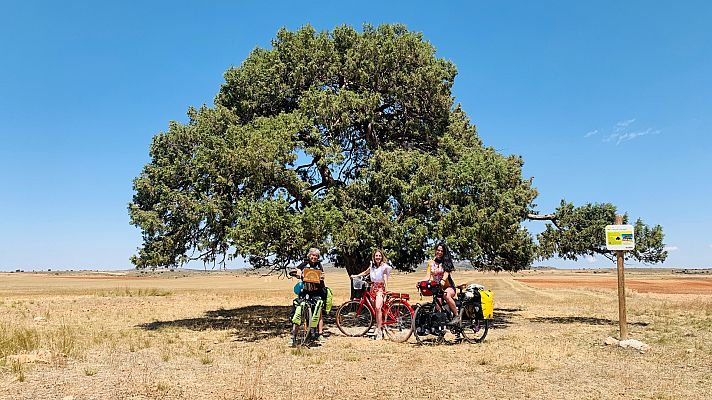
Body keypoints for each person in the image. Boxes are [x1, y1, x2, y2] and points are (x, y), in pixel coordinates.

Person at [352, 249, 392, 340]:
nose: (378, 257)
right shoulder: (372, 267)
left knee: (378, 308)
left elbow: (385, 279)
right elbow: (365, 273)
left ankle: (379, 331)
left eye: (379, 256)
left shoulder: (384, 267)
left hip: (380, 289)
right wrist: (355, 276)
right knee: (375, 310)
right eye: (376, 256)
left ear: (382, 257)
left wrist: (386, 290)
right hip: (372, 288)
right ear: (374, 257)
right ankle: (379, 326)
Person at [292, 247, 327, 343]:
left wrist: (322, 277)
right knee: (299, 311)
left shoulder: (319, 265)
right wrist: (298, 271)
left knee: (318, 311)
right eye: (313, 255)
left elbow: (322, 275)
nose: (314, 257)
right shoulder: (304, 263)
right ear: (309, 255)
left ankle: (319, 334)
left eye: (316, 256)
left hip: (316, 291)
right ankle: (294, 336)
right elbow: (296, 269)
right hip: (305, 291)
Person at [424, 242, 460, 325]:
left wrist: (443, 280)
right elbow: (427, 276)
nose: (439, 252)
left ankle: (456, 316)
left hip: (448, 287)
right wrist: (420, 282)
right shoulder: (431, 263)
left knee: (446, 295)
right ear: (435, 250)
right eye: (438, 250)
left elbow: (446, 274)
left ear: (444, 253)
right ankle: (441, 327)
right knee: (437, 305)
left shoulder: (446, 262)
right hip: (437, 288)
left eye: (442, 251)